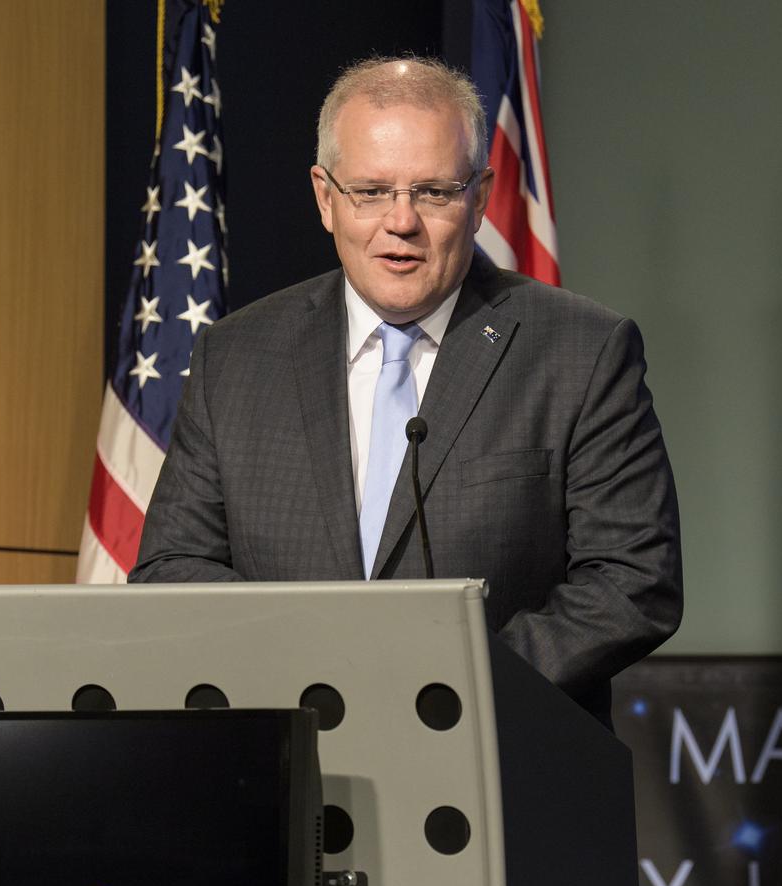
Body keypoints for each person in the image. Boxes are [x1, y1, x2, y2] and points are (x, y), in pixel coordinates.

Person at [130, 55, 682, 727]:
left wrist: (446, 687)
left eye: (433, 192)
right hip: (286, 760)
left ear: (479, 197)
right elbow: (173, 567)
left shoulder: (581, 351)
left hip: (497, 763)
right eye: (370, 191)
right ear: (325, 197)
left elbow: (631, 581)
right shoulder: (237, 356)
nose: (401, 222)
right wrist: (308, 671)